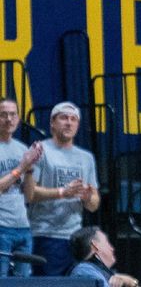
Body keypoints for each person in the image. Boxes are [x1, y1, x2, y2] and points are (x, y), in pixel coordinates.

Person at [29, 102, 100, 277]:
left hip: (76, 237)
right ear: (52, 123)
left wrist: (87, 197)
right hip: (46, 234)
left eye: (73, 119)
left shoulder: (86, 158)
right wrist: (63, 192)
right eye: (63, 118)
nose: (69, 122)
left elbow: (94, 205)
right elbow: (30, 193)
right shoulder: (40, 150)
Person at [0, 99, 43, 277]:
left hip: (23, 226)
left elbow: (29, 196)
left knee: (24, 282)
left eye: (13, 114)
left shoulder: (21, 149)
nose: (9, 119)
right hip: (1, 227)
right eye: (3, 115)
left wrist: (31, 168)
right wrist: (21, 168)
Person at [69, 226, 140, 287]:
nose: (112, 248)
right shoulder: (84, 270)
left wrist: (130, 281)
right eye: (107, 242)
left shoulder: (100, 271)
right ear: (95, 245)